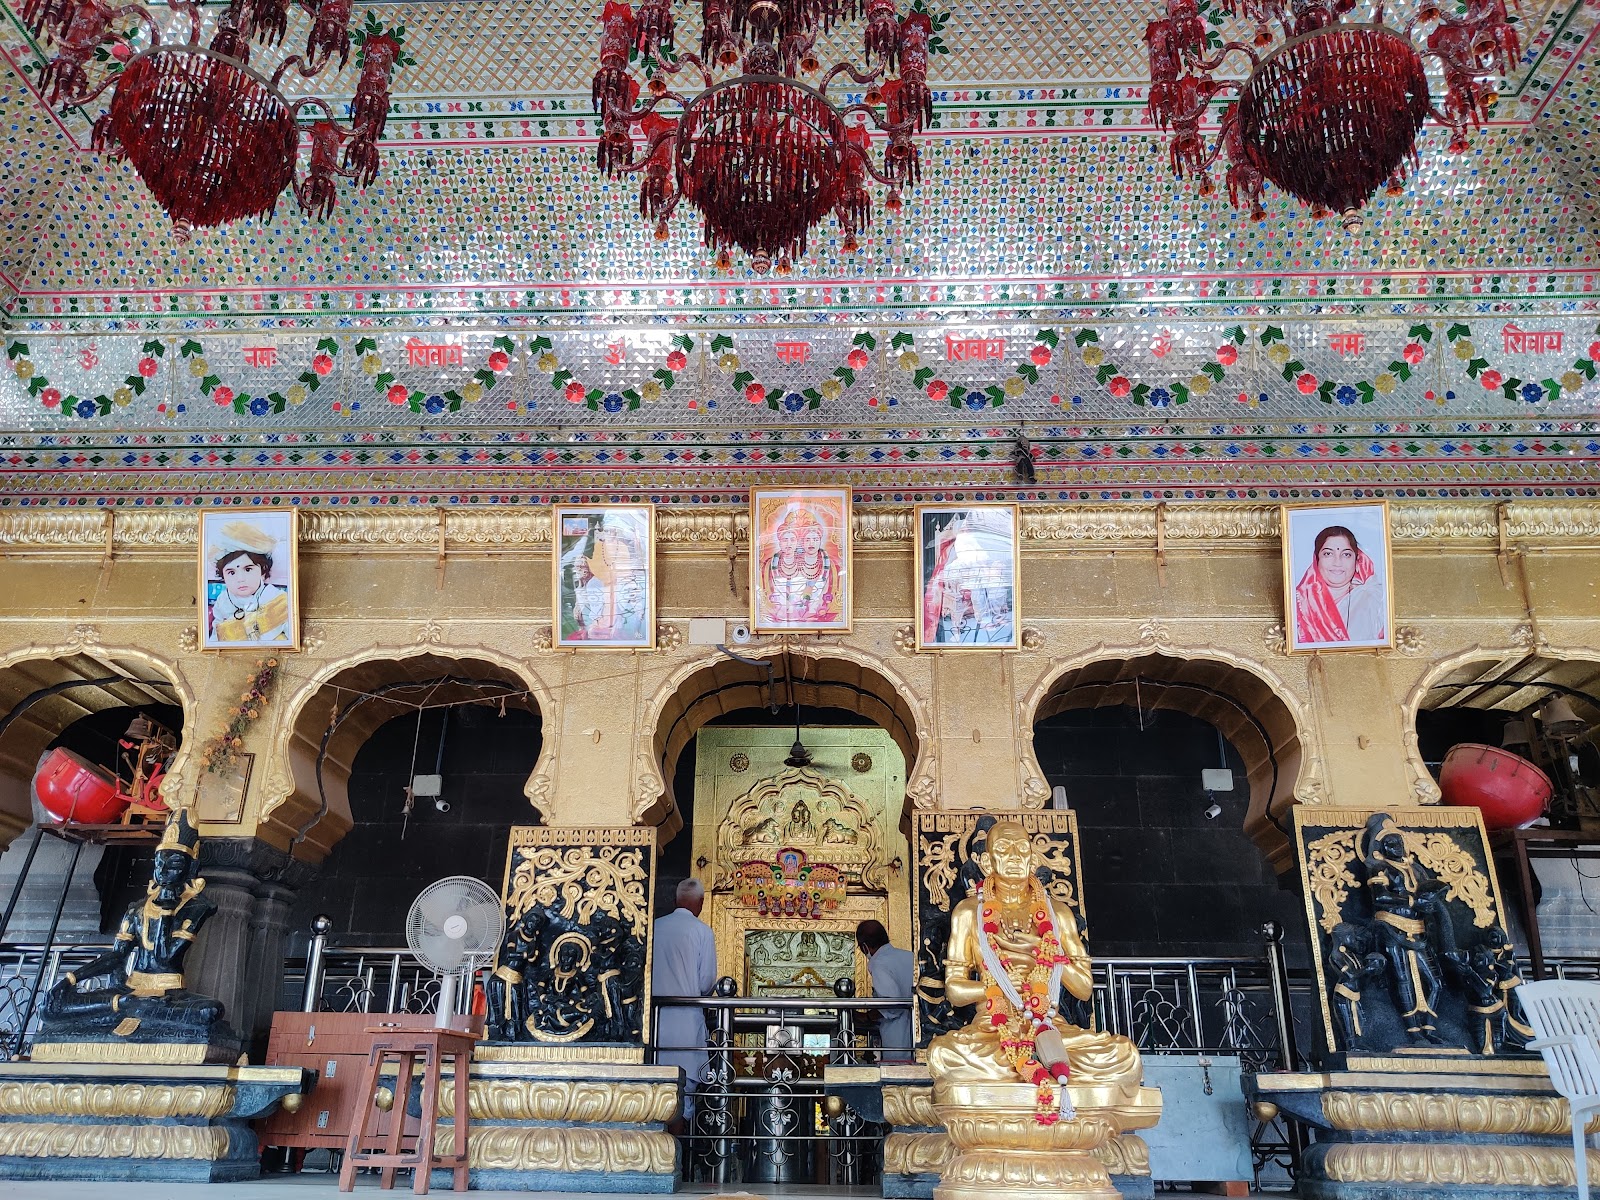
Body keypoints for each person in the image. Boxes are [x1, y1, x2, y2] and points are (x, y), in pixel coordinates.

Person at [927, 820, 1142, 1119]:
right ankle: (1036, 1078)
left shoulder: (1058, 914)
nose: (1014, 856)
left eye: (1022, 849)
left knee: (1123, 1055)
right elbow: (955, 990)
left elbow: (1083, 987)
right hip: (993, 1027)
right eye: (1004, 849)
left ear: (1032, 857)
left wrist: (1049, 956)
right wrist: (998, 986)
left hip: (1051, 1027)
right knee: (943, 1054)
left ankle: (1037, 1076)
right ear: (988, 862)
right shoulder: (968, 913)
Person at [42, 808, 226, 1035]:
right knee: (50, 1009)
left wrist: (167, 911)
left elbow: (163, 957)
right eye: (159, 864)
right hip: (130, 990)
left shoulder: (198, 907)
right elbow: (117, 956)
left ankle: (128, 1008)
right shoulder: (137, 909)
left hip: (170, 992)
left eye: (175, 865)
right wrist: (71, 979)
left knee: (209, 1011)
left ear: (190, 867)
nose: (164, 872)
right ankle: (127, 1006)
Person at [652, 878, 718, 1129]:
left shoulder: (655, 927)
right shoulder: (701, 931)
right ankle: (676, 1159)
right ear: (701, 903)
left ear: (674, 900)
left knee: (654, 1095)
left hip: (655, 1024)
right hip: (686, 1026)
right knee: (682, 1098)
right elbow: (706, 982)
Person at [1294, 524, 1386, 645]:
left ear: (1356, 560)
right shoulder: (1300, 604)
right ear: (1316, 560)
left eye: (1346, 554)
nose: (1337, 562)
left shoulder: (1374, 601)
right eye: (1328, 554)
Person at [206, 519, 291, 644]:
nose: (240, 579)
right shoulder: (222, 601)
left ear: (263, 570)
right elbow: (216, 638)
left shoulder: (279, 600)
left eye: (248, 569)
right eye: (231, 572)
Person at [856, 919, 914, 1061]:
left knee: (899, 1077)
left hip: (898, 1038)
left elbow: (892, 1005)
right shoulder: (910, 956)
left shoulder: (879, 964)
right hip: (921, 1034)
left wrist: (866, 1017)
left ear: (864, 947)